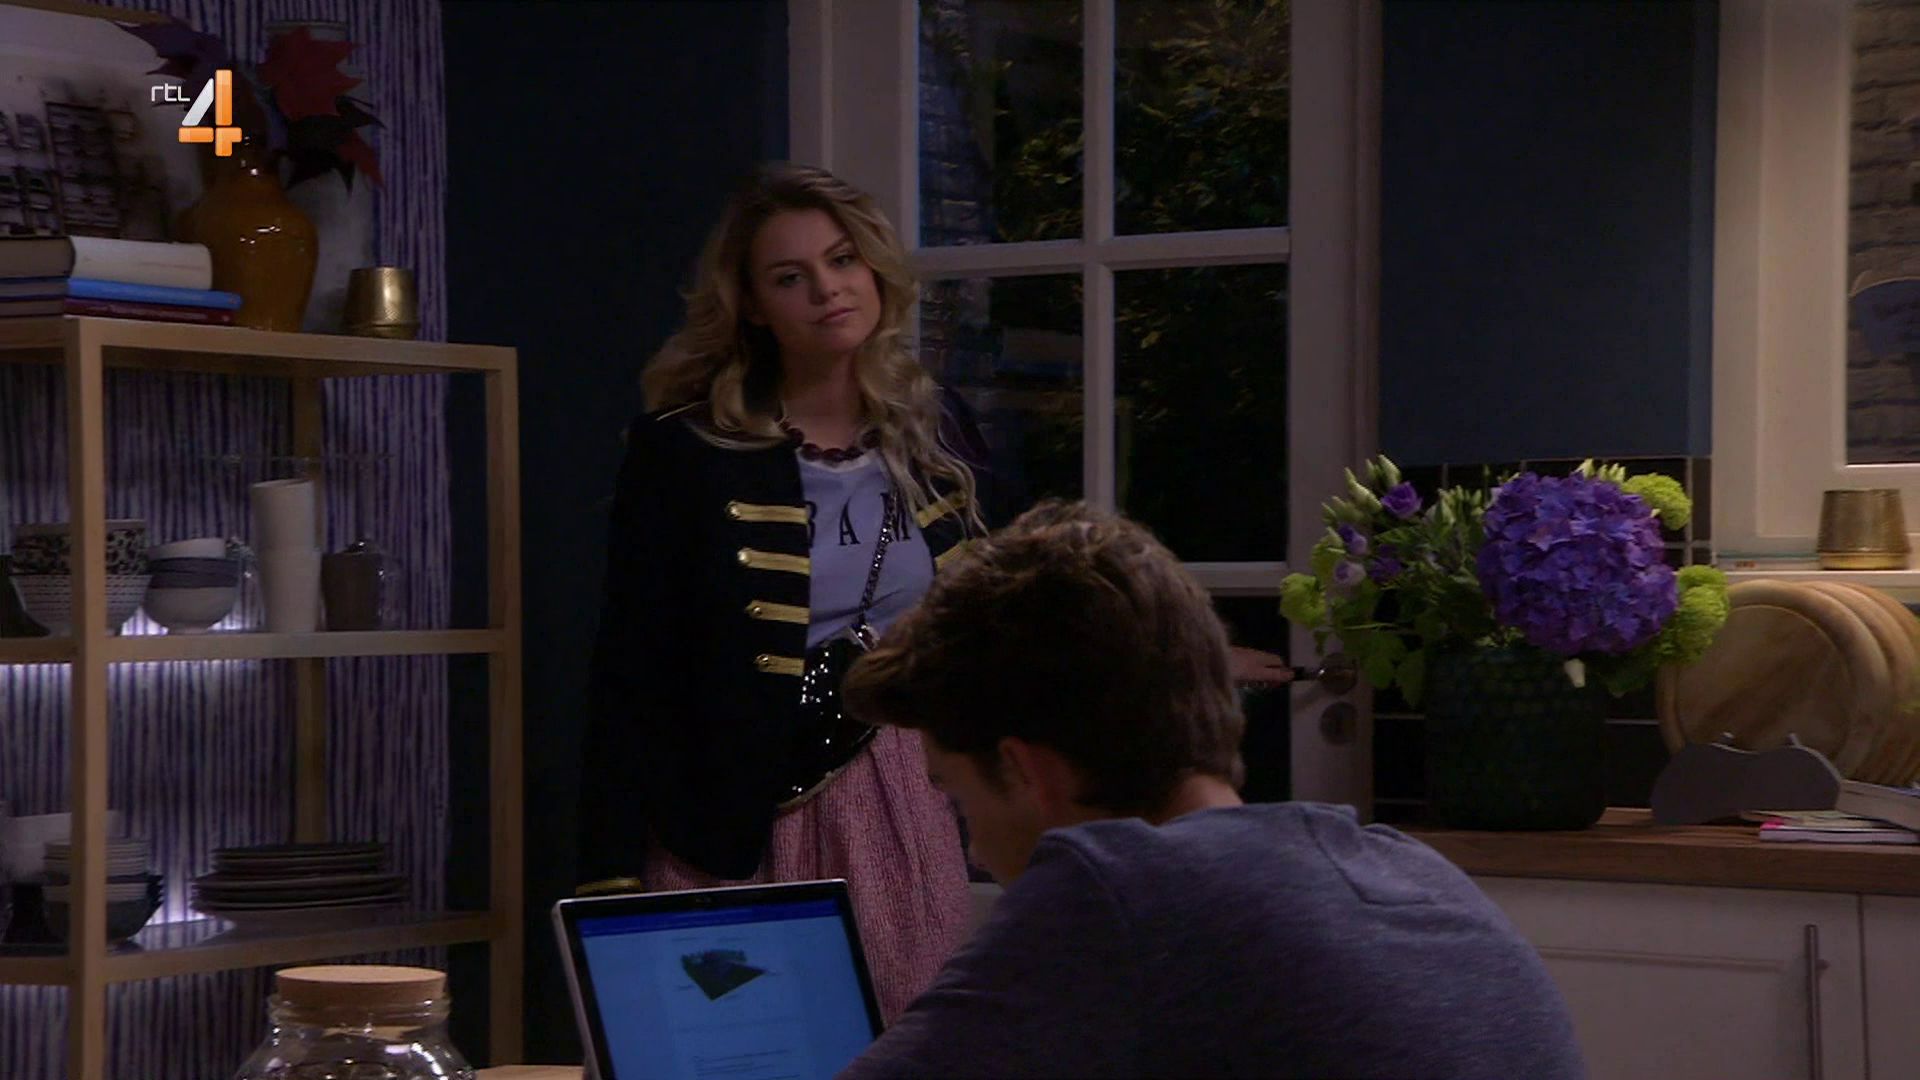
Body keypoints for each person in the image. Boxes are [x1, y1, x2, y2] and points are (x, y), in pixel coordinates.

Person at [836, 501, 1588, 1079]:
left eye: (956, 795)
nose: (972, 844)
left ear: (1028, 772)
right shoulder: (1415, 874)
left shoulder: (1114, 891)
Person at [577, 163, 991, 1021]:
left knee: (910, 1039)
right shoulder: (684, 449)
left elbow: (995, 618)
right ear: (755, 306)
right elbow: (629, 668)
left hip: (903, 797)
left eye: (842, 261)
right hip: (729, 810)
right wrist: (608, 872)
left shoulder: (936, 427)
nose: (827, 290)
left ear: (875, 270)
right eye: (790, 276)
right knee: (741, 1040)